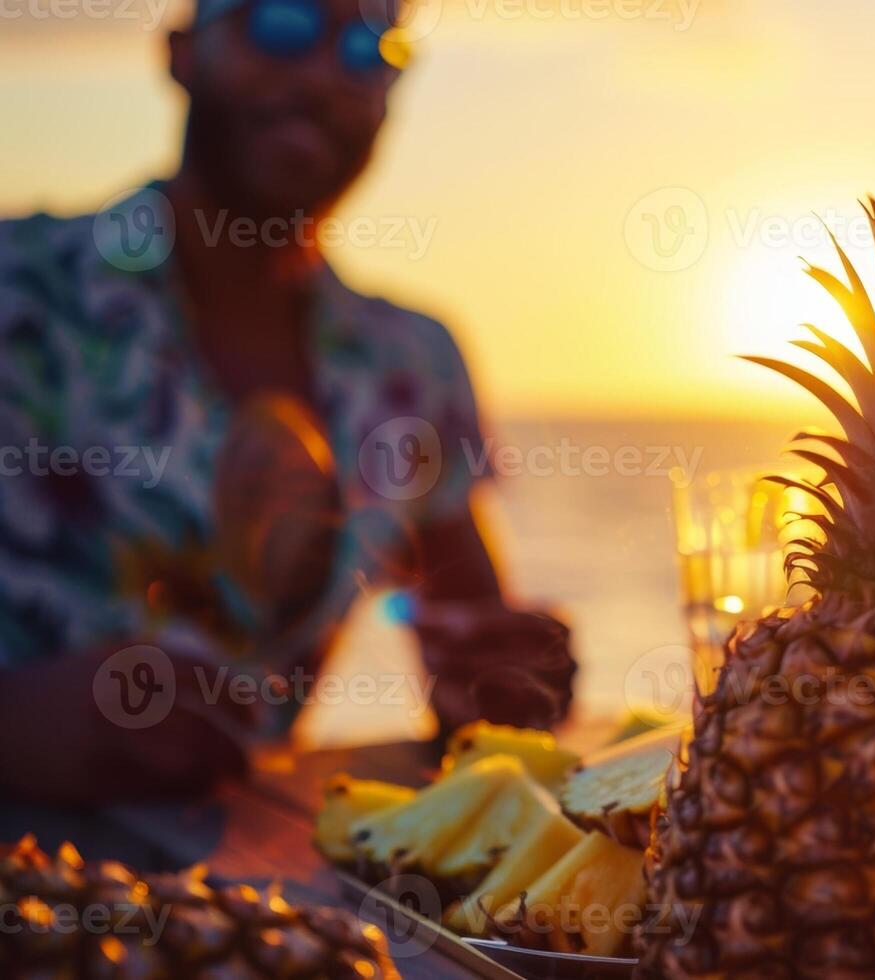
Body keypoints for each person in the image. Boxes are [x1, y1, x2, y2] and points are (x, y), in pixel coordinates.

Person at [0, 0, 576, 804]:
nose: (320, 75)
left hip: (251, 908)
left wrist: (508, 684)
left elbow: (468, 648)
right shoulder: (19, 290)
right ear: (180, 54)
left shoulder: (413, 362)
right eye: (280, 23)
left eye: (368, 45)